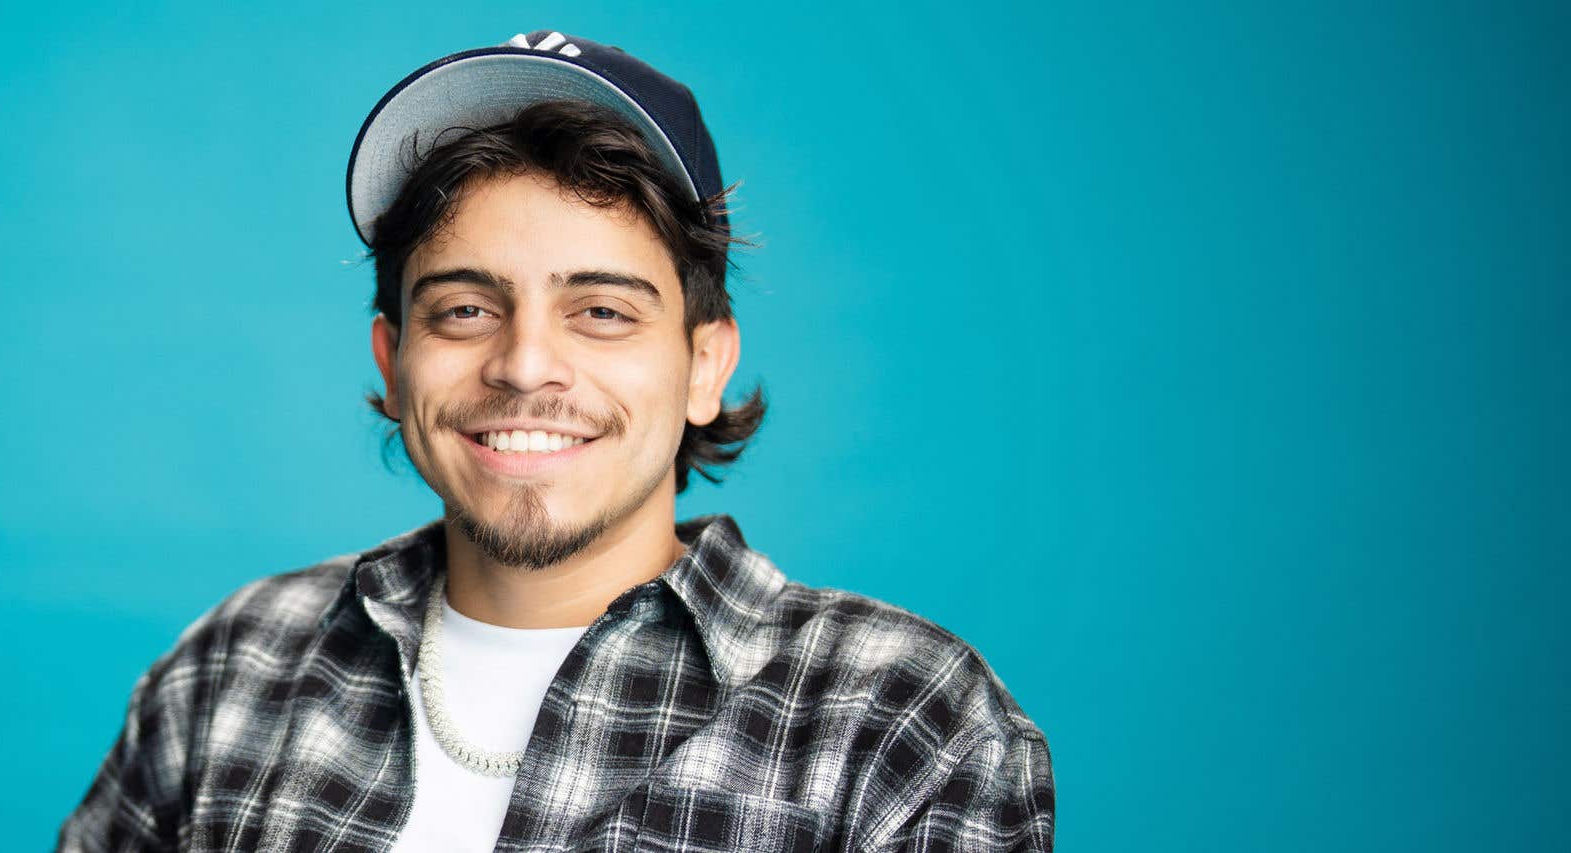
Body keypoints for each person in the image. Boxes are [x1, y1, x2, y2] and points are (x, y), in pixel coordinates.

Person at [56, 30, 1053, 852]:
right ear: (392, 360)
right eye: (461, 310)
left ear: (704, 363)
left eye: (602, 312)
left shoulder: (898, 723)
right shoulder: (233, 668)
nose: (525, 365)